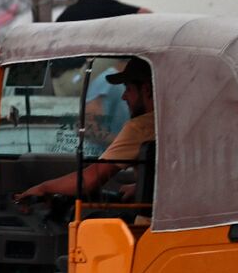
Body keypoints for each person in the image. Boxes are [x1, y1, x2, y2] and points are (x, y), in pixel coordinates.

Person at [15, 57, 154, 201]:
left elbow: (89, 180)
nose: (124, 97)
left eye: (128, 89)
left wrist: (43, 188)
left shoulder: (141, 127)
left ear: (147, 90)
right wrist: (141, 186)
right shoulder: (167, 123)